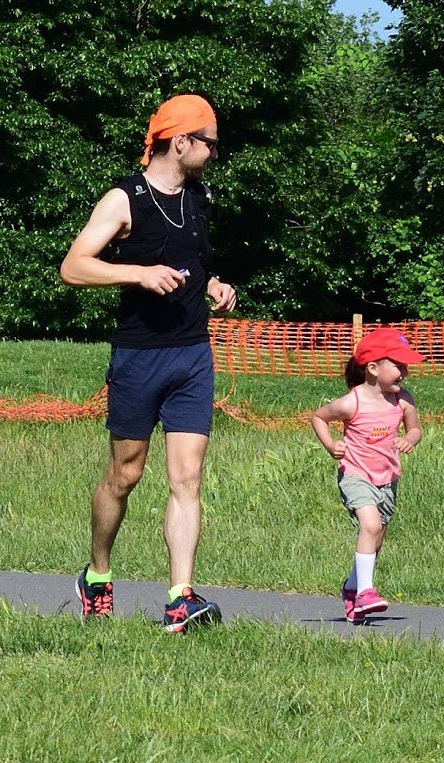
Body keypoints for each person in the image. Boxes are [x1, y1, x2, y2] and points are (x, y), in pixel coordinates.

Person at [60, 94, 237, 633]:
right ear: (180, 141)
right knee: (126, 473)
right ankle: (97, 572)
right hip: (138, 357)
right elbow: (73, 267)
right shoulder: (124, 199)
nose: (214, 152)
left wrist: (213, 285)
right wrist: (137, 273)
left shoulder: (200, 199)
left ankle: (180, 598)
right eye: (209, 142)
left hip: (192, 354)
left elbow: (191, 261)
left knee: (187, 476)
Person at [311, 328, 424, 623]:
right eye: (398, 365)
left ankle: (352, 588)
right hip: (355, 474)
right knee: (370, 526)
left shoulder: (403, 400)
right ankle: (365, 592)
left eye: (405, 366)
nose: (405, 372)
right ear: (373, 368)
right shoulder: (352, 402)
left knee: (376, 539)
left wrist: (410, 440)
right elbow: (319, 416)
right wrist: (330, 445)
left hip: (387, 478)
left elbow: (415, 429)